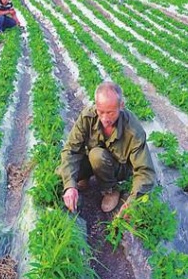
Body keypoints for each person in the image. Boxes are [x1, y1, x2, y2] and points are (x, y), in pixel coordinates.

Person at [58, 82, 156, 213]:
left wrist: (134, 201)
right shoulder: (88, 117)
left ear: (121, 106)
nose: (104, 118)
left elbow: (145, 170)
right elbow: (71, 150)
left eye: (110, 113)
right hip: (93, 160)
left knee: (96, 155)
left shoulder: (133, 129)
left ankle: (111, 189)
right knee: (61, 172)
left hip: (117, 168)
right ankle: (84, 178)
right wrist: (70, 186)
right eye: (101, 111)